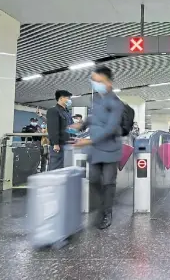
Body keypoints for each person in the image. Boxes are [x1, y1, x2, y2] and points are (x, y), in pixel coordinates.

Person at [73, 66, 124, 230]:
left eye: (98, 81)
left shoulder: (116, 103)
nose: (95, 83)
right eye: (93, 80)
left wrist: (88, 141)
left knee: (108, 182)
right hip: (95, 150)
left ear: (108, 83)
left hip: (109, 149)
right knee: (94, 180)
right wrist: (81, 125)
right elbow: (94, 117)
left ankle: (107, 213)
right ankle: (101, 207)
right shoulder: (97, 99)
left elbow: (110, 128)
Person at [46, 90, 73, 170]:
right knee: (55, 167)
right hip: (59, 145)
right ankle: (51, 182)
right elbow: (52, 128)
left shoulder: (67, 112)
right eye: (68, 98)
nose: (69, 100)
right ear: (61, 98)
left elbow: (70, 127)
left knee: (64, 168)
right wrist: (55, 143)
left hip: (67, 144)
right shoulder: (53, 111)